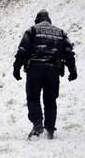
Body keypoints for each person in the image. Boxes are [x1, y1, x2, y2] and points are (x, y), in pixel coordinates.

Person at [13, 9, 77, 139]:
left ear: (37, 20)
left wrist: (16, 67)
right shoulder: (60, 33)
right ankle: (50, 129)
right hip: (53, 70)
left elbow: (23, 50)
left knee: (33, 98)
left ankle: (37, 126)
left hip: (35, 69)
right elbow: (69, 52)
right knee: (50, 100)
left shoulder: (32, 31)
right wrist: (72, 70)